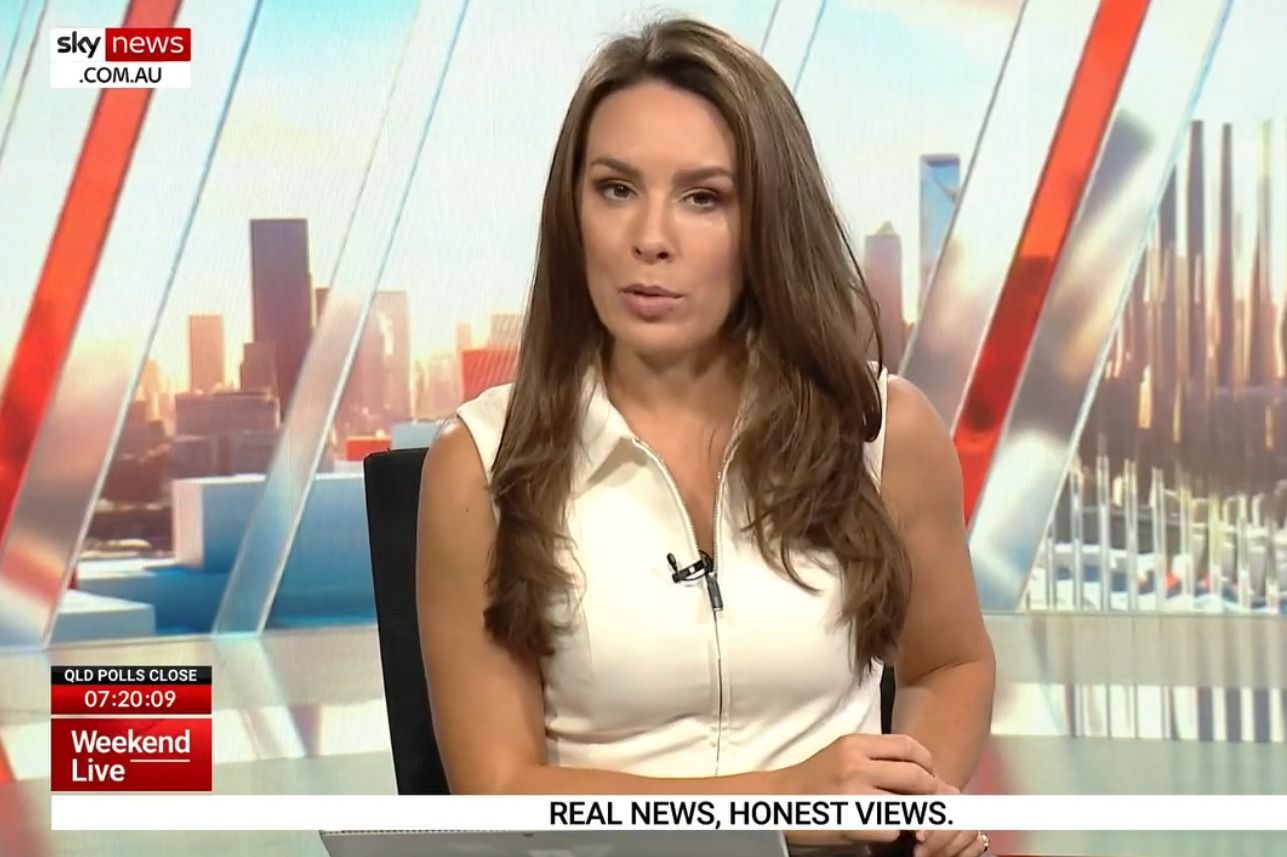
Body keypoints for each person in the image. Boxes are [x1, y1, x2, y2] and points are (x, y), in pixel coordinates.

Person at [416, 17, 995, 857]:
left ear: (767, 226)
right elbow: (501, 792)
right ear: (572, 212)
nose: (650, 238)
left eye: (703, 197)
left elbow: (950, 664)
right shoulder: (479, 464)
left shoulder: (880, 431)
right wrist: (783, 806)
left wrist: (908, 798)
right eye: (616, 188)